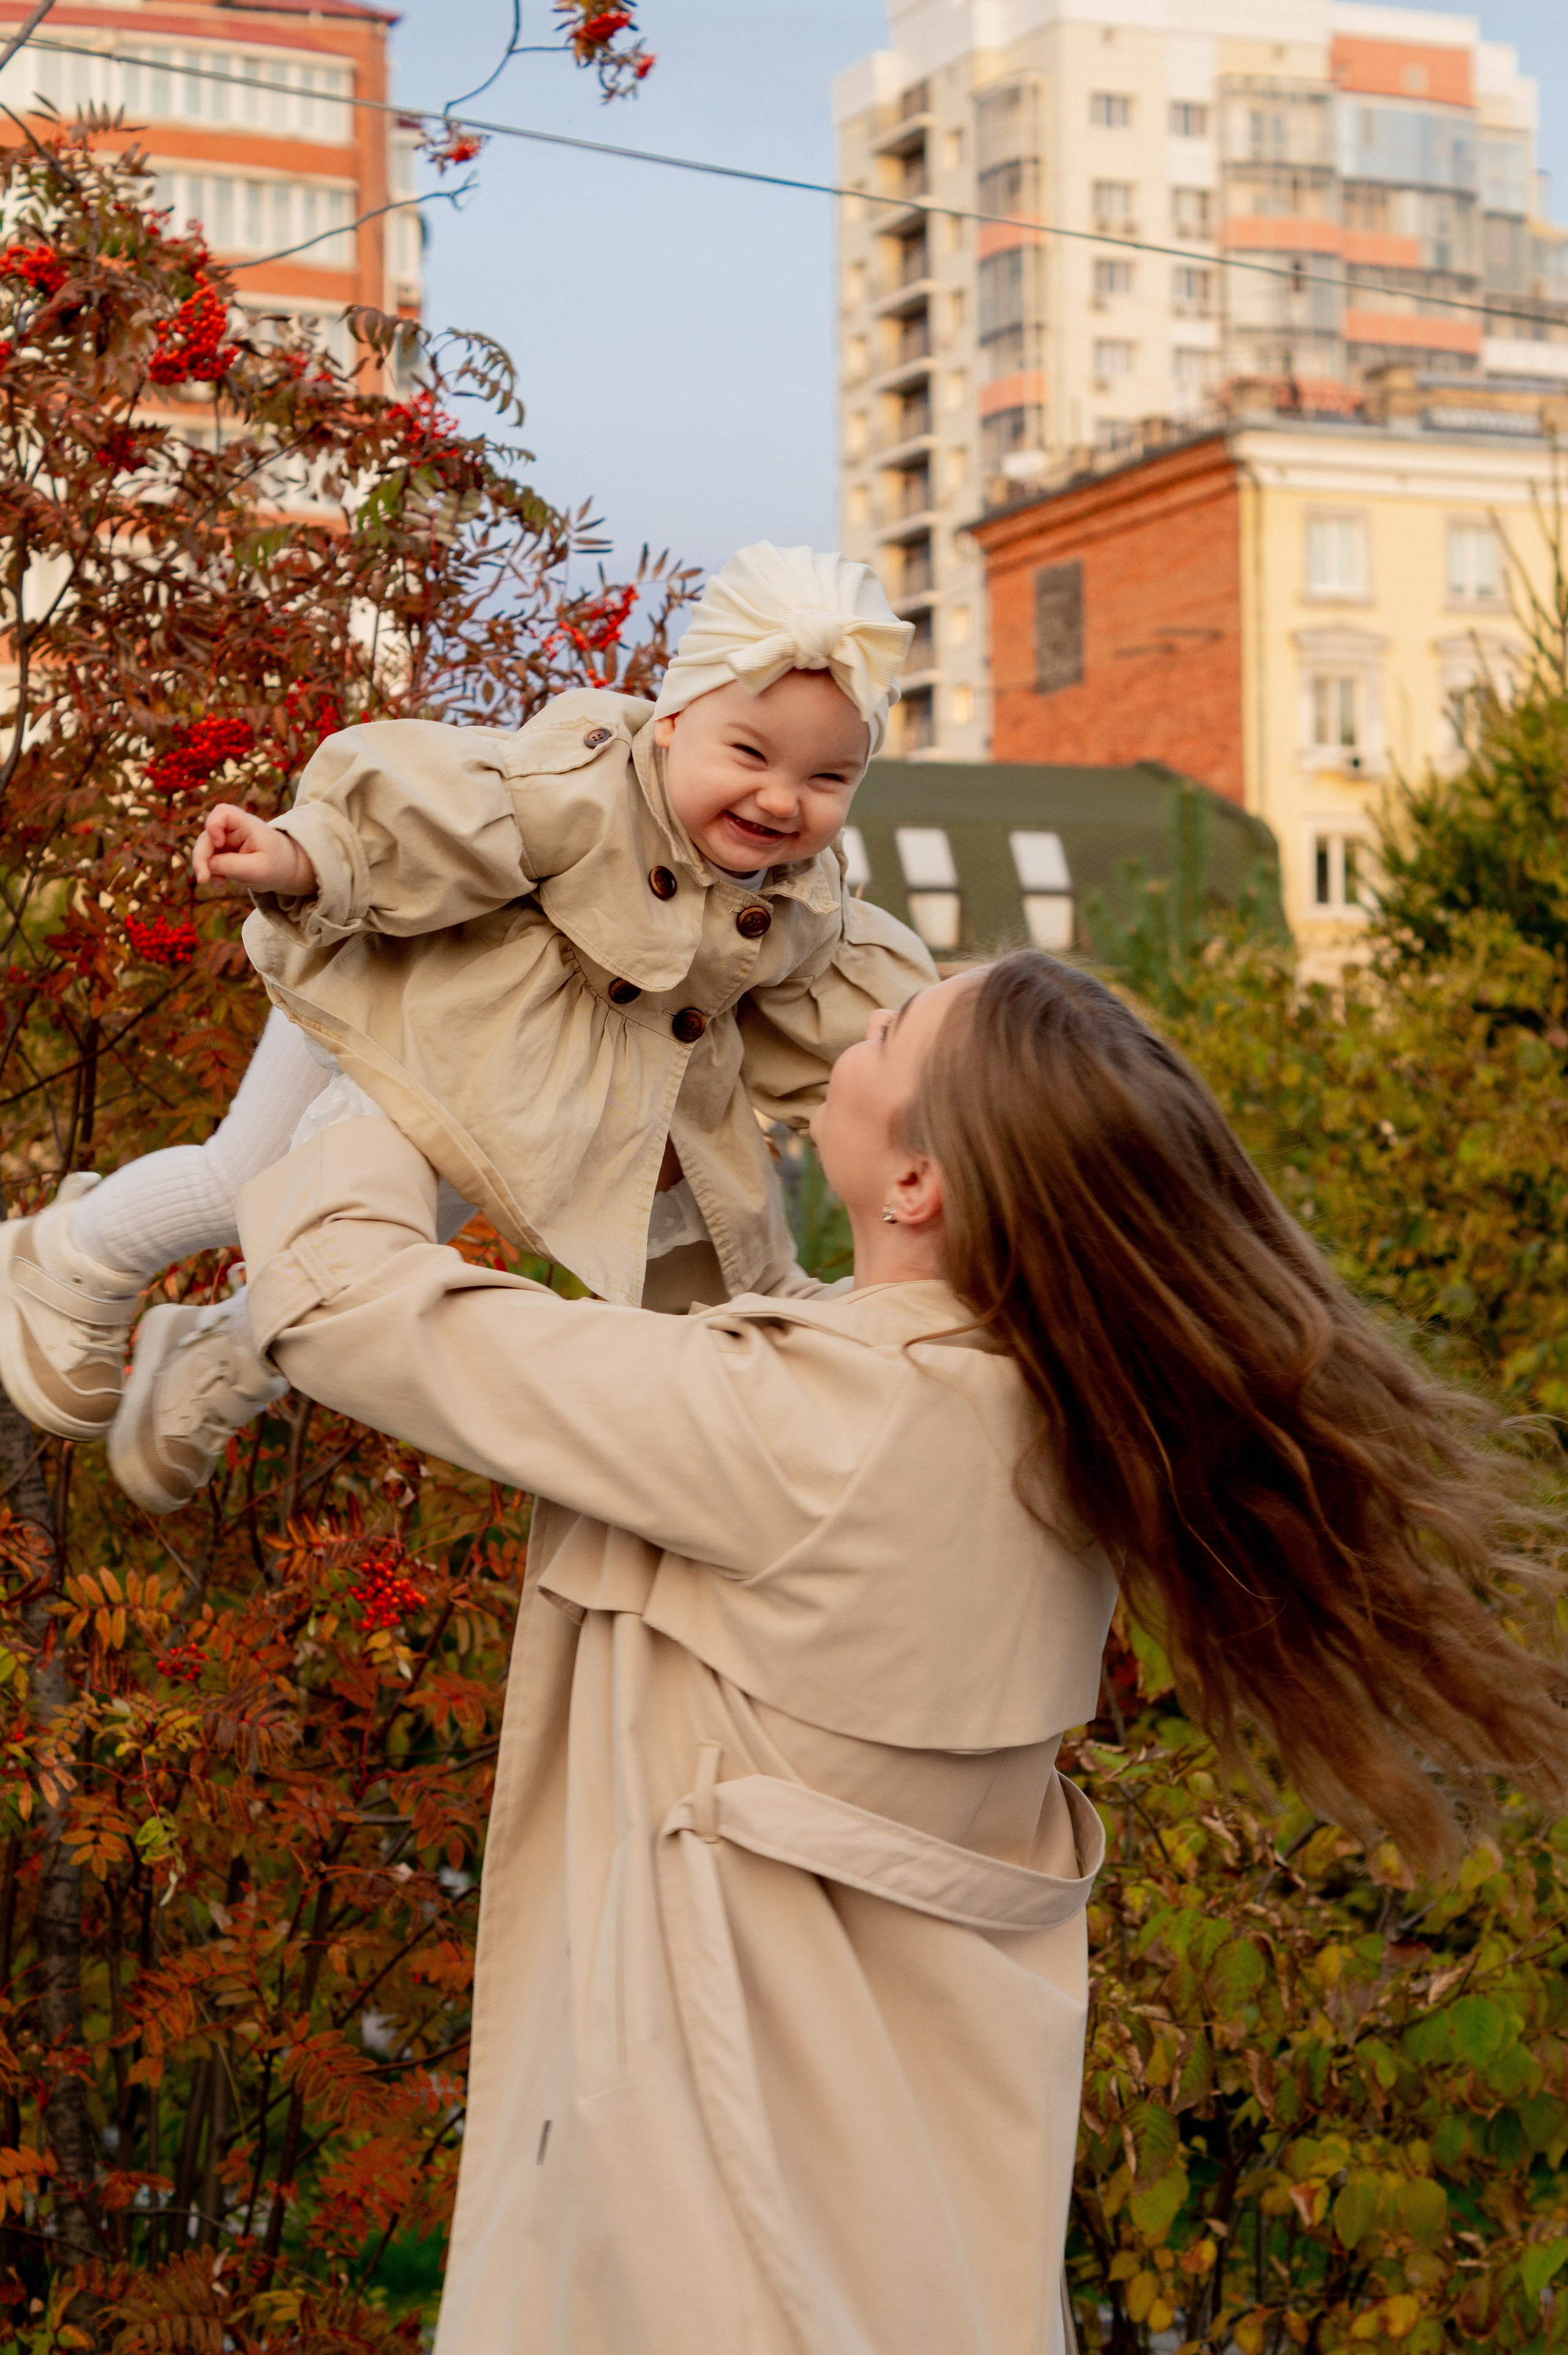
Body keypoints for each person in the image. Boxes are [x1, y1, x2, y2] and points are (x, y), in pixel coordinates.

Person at [230, 949, 1567, 2355]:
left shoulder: (820, 1429)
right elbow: (724, 1341)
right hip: (900, 2248)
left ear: (918, 1183)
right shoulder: (1036, 1424)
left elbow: (343, 1305)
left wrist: (397, 1065)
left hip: (720, 2263)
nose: (840, 1041)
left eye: (881, 1031)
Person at [0, 544, 934, 1513]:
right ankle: (65, 1257)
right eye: (749, 755)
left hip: (511, 1096)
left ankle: (215, 1357)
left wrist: (945, 1071)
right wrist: (299, 853)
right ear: (673, 722)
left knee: (376, 1260)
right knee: (251, 1184)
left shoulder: (801, 900)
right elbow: (447, 813)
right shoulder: (588, 783)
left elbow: (837, 1007)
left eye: (829, 778)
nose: (782, 798)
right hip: (410, 991)